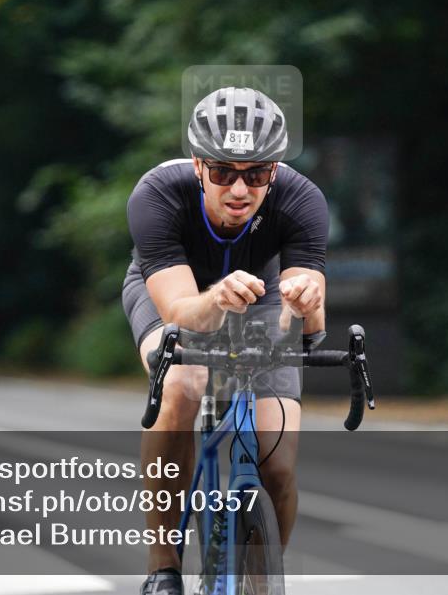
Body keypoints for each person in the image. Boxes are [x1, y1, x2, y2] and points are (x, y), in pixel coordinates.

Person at [123, 87, 328, 594]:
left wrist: (303, 302)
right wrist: (216, 297)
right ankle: (163, 567)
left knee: (277, 464)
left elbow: (309, 321)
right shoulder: (158, 193)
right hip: (173, 290)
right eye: (222, 172)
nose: (239, 189)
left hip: (261, 293)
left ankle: (257, 579)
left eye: (255, 175)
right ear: (198, 165)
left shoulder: (301, 199)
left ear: (273, 171)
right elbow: (180, 312)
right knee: (184, 383)